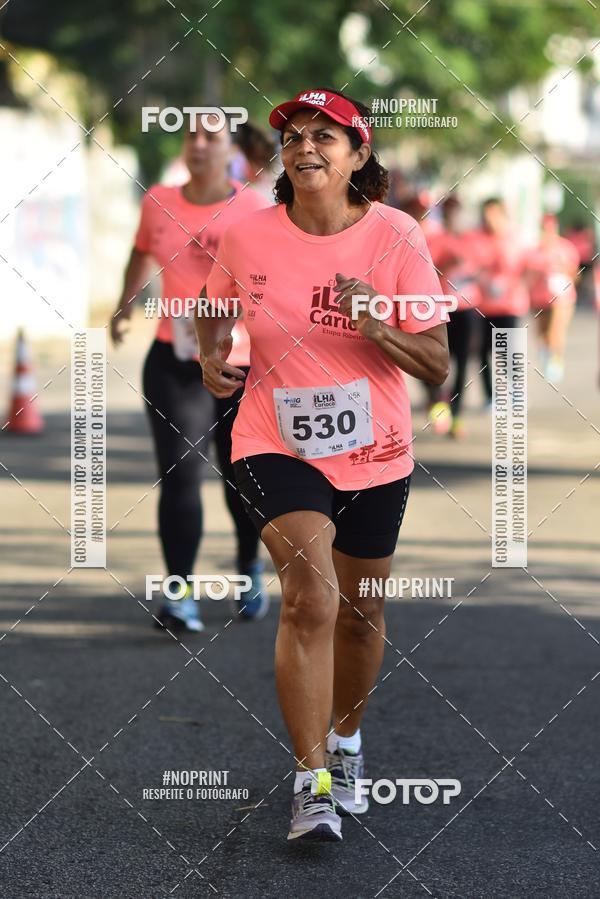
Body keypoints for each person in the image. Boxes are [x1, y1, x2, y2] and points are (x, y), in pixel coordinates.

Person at [197, 88, 449, 841]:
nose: (305, 147)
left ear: (358, 155)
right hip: (274, 439)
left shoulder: (397, 236)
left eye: (325, 137)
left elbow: (435, 362)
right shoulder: (248, 236)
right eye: (294, 137)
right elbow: (214, 305)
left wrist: (378, 322)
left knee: (363, 611)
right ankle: (313, 782)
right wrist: (213, 356)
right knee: (312, 596)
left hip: (376, 452)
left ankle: (347, 743)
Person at [110, 112, 270, 632]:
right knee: (180, 472)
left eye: (212, 137)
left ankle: (249, 567)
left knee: (239, 477)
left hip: (243, 363)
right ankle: (179, 594)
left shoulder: (255, 207)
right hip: (175, 359)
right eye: (191, 136)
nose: (199, 145)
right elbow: (140, 251)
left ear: (233, 150)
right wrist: (126, 303)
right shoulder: (158, 200)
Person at [427, 195, 481, 437]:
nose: (453, 216)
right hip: (441, 306)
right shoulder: (435, 240)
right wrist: (446, 266)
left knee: (462, 362)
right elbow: (424, 270)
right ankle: (439, 402)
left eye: (457, 211)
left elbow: (483, 267)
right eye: (449, 211)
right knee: (436, 359)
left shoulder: (471, 240)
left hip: (468, 306)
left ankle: (456, 415)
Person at [470, 198, 529, 407]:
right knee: (483, 351)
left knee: (508, 351)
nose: (489, 219)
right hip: (482, 306)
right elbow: (472, 267)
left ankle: (515, 394)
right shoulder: (476, 238)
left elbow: (526, 269)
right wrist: (483, 279)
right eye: (486, 214)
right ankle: (490, 397)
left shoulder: (514, 239)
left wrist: (511, 284)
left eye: (494, 214)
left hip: (510, 305)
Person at [524, 213, 580, 384]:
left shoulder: (566, 248)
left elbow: (576, 273)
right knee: (542, 333)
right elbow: (527, 277)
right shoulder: (534, 252)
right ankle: (546, 352)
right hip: (540, 298)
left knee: (556, 330)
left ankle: (556, 359)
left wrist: (564, 272)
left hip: (562, 297)